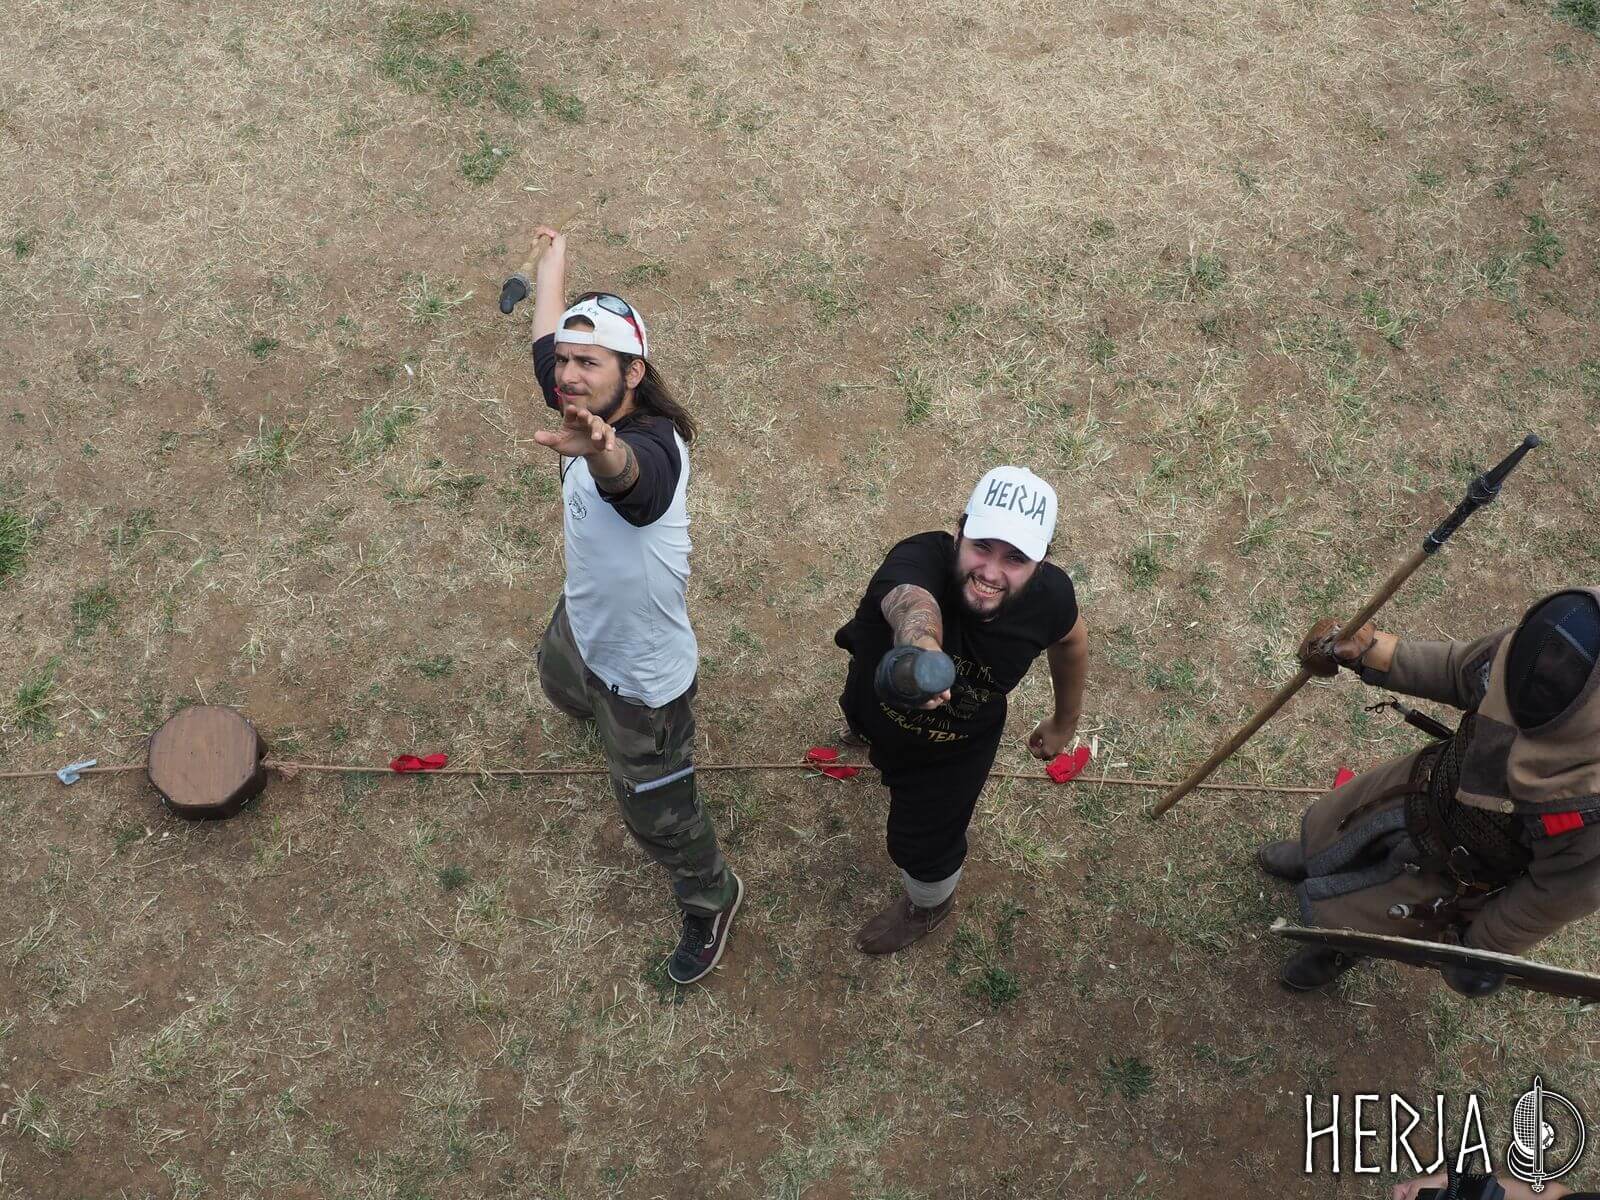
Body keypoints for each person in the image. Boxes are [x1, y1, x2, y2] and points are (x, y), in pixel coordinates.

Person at [527, 225, 740, 986]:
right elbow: (545, 340)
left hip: (642, 681)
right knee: (558, 680)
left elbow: (634, 483)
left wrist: (600, 452)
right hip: (583, 626)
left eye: (587, 363)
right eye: (566, 363)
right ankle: (586, 704)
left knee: (657, 814)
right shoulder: (577, 395)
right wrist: (553, 266)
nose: (568, 377)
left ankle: (711, 895)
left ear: (633, 373)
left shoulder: (654, 447)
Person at [1257, 589, 1600, 992]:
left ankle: (1338, 946)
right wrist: (1373, 653)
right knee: (1341, 825)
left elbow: (1554, 893)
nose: (1548, 666)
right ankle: (1313, 856)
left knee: (1377, 915)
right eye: (1549, 651)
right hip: (1421, 786)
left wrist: (1483, 948)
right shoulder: (1553, 642)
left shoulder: (1589, 808)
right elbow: (1460, 670)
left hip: (1462, 869)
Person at [833, 467, 1089, 954]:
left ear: (1040, 564)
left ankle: (929, 904)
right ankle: (862, 731)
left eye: (1015, 558)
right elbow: (911, 604)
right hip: (873, 701)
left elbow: (1071, 640)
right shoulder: (917, 558)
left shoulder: (1050, 598)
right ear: (959, 534)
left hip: (953, 749)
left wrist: (1065, 721)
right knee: (859, 715)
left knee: (922, 844)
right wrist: (920, 654)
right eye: (982, 546)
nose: (991, 572)